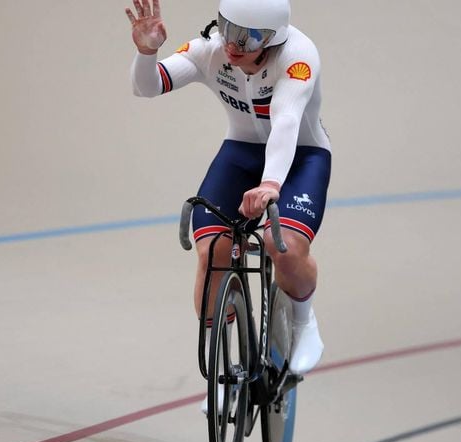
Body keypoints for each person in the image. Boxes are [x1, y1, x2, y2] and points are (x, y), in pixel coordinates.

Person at [125, 0, 331, 411]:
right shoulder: (211, 48)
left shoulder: (298, 57)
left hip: (302, 155)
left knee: (283, 244)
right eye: (227, 27)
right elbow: (147, 86)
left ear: (272, 40)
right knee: (213, 253)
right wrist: (146, 52)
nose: (233, 44)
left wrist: (272, 184)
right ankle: (222, 373)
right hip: (240, 153)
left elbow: (287, 121)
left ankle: (304, 321)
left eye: (247, 36)